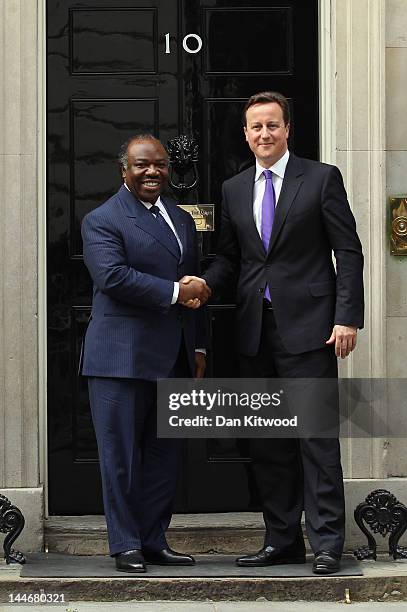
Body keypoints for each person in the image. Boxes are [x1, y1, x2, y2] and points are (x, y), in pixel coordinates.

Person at [185, 91, 364, 574]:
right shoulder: (234, 188)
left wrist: (346, 317)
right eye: (255, 127)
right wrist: (203, 283)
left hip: (309, 332)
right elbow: (230, 256)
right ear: (245, 135)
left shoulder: (321, 178)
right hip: (254, 333)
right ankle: (282, 540)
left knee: (316, 440)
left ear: (287, 130)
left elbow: (347, 252)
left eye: (272, 125)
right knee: (268, 443)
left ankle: (328, 544)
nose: (264, 134)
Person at [80, 134, 210, 573]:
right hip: (120, 359)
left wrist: (198, 345)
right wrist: (176, 292)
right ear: (124, 170)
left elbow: (192, 281)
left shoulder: (180, 219)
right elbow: (113, 277)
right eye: (141, 165)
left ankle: (154, 538)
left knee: (164, 457)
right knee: (120, 458)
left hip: (173, 356)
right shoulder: (103, 219)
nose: (152, 172)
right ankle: (126, 544)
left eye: (159, 164)